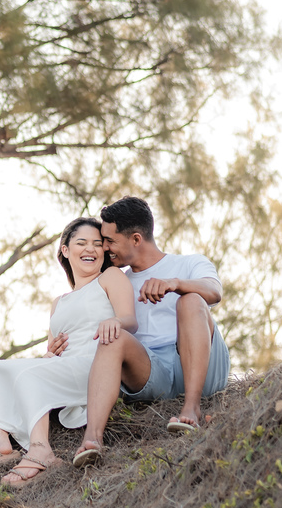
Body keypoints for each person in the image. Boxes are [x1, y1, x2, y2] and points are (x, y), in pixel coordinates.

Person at [0, 217, 136, 487]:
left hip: (97, 363)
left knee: (31, 376)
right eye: (82, 243)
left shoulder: (109, 277)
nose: (91, 249)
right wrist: (49, 355)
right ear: (65, 250)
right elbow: (52, 349)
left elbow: (130, 319)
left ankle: (41, 449)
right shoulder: (58, 303)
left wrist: (115, 322)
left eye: (98, 244)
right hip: (64, 366)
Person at [70, 196, 231, 467]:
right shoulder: (116, 281)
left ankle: (190, 408)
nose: (105, 248)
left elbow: (214, 293)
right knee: (114, 336)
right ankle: (92, 439)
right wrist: (61, 345)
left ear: (135, 239)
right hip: (151, 371)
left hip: (200, 364)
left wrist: (175, 284)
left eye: (110, 241)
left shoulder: (189, 263)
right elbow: (90, 324)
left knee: (191, 301)